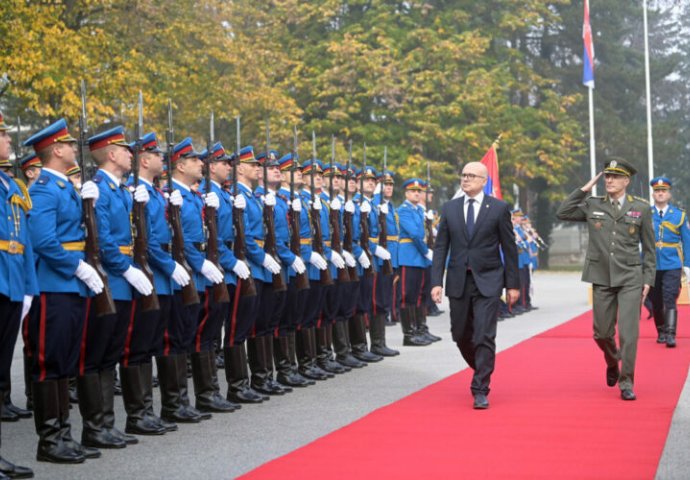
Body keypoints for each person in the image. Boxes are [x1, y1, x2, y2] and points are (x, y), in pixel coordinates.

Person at [556, 158, 655, 401]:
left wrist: (648, 279)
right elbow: (563, 212)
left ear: (626, 181)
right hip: (601, 276)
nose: (609, 180)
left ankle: (626, 381)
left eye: (615, 176)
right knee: (601, 333)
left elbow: (650, 249)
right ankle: (612, 361)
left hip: (630, 276)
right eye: (607, 176)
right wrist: (585, 188)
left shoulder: (641, 208)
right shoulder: (593, 204)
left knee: (629, 334)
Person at [431, 162, 519, 409]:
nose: (466, 179)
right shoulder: (450, 208)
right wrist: (436, 282)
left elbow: (509, 248)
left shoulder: (498, 208)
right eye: (463, 175)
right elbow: (441, 247)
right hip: (459, 280)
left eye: (471, 176)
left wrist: (513, 284)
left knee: (483, 334)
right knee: (460, 334)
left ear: (483, 181)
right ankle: (481, 365)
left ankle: (480, 387)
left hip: (489, 280)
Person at [0, 111, 36, 478]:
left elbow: (21, 240)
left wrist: (28, 288)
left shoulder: (9, 185)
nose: (9, 140)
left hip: (10, 282)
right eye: (3, 136)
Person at [648, 176, 690, 348]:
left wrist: (687, 265)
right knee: (655, 300)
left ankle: (671, 334)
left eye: (663, 191)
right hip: (651, 264)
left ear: (669, 194)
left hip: (672, 263)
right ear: (653, 194)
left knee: (669, 297)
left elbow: (687, 241)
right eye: (657, 191)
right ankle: (661, 332)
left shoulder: (679, 215)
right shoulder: (645, 214)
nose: (660, 193)